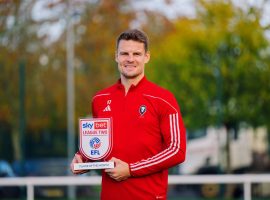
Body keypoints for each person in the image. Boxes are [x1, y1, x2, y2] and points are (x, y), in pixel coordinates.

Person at [70, 29, 186, 200]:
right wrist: (83, 161)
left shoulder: (163, 98)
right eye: (124, 53)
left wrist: (131, 170)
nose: (130, 59)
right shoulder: (100, 99)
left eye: (136, 54)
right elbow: (98, 149)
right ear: (116, 56)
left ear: (146, 57)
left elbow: (177, 150)